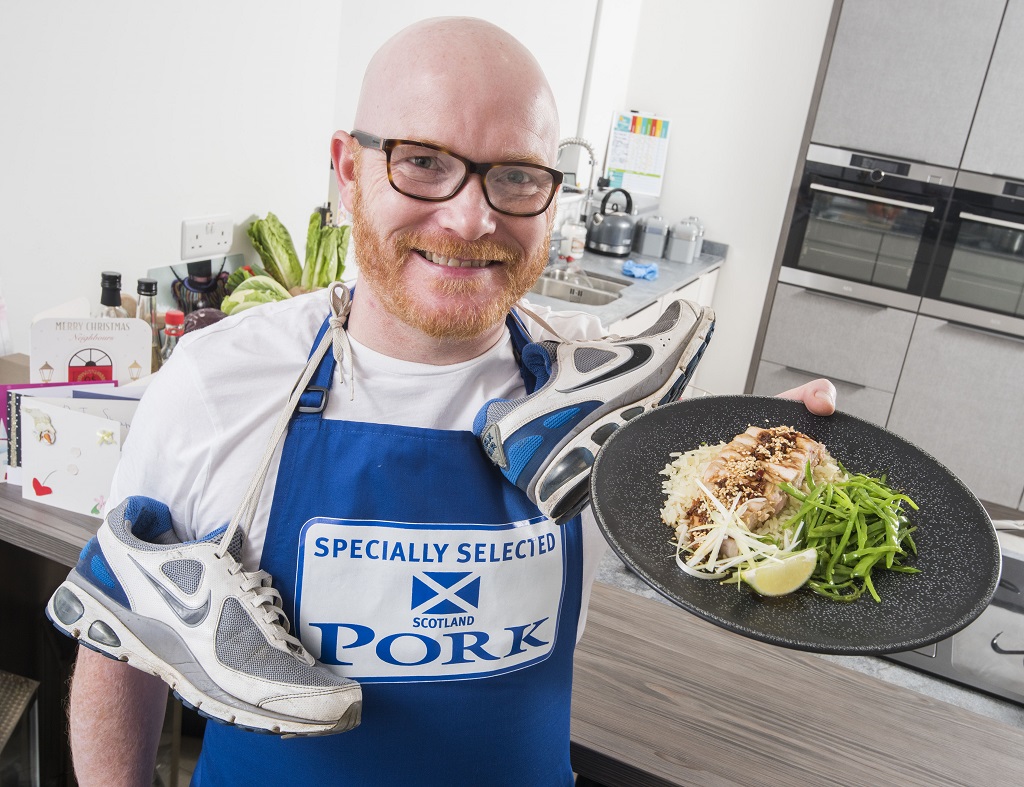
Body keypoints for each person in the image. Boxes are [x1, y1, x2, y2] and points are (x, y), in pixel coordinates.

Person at [63, 17, 837, 786]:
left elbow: (703, 523)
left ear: (553, 197)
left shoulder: (604, 380)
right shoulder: (218, 381)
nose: (471, 219)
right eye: (423, 161)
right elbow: (118, 642)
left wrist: (777, 466)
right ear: (347, 169)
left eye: (516, 176)